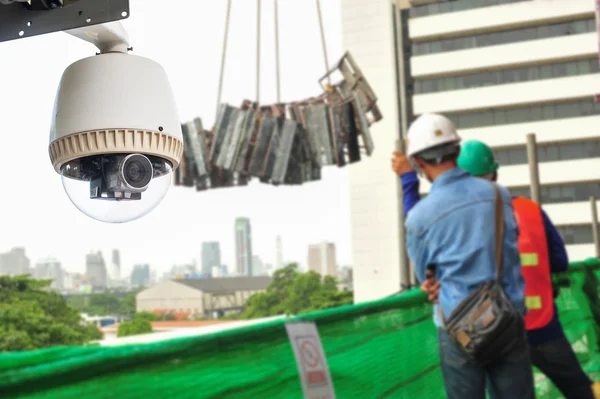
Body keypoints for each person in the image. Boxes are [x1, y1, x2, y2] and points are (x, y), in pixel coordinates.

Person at [393, 138, 600, 399]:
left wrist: (408, 181)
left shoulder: (430, 213)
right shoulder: (515, 203)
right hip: (528, 320)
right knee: (578, 389)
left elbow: (422, 258)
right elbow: (559, 261)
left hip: (467, 327)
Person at [396, 113, 534, 399]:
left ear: (418, 163)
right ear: (457, 150)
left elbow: (425, 275)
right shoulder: (499, 195)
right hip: (507, 317)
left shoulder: (420, 216)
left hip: (458, 327)